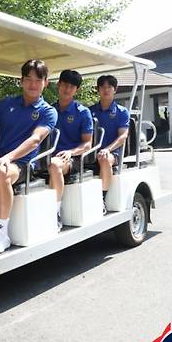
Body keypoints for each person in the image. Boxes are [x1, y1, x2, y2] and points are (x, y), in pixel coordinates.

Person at [0, 59, 57, 253]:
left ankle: (2, 232)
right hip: (1, 159)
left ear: (45, 83)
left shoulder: (48, 112)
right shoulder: (7, 104)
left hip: (23, 164)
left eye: (38, 80)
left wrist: (8, 157)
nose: (33, 84)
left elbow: (34, 140)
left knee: (1, 171)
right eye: (28, 79)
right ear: (21, 81)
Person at [48, 70, 93, 228]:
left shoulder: (83, 113)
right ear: (58, 85)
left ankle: (55, 213)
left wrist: (70, 152)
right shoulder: (49, 111)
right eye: (65, 85)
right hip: (48, 156)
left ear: (77, 90)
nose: (67, 89)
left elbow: (87, 144)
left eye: (72, 86)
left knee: (54, 164)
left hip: (73, 158)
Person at [89, 74, 130, 214]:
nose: (106, 90)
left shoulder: (122, 112)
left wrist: (107, 149)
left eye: (109, 87)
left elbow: (123, 136)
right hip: (90, 152)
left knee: (103, 158)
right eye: (102, 87)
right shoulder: (90, 111)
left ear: (115, 89)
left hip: (113, 153)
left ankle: (102, 199)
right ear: (98, 90)